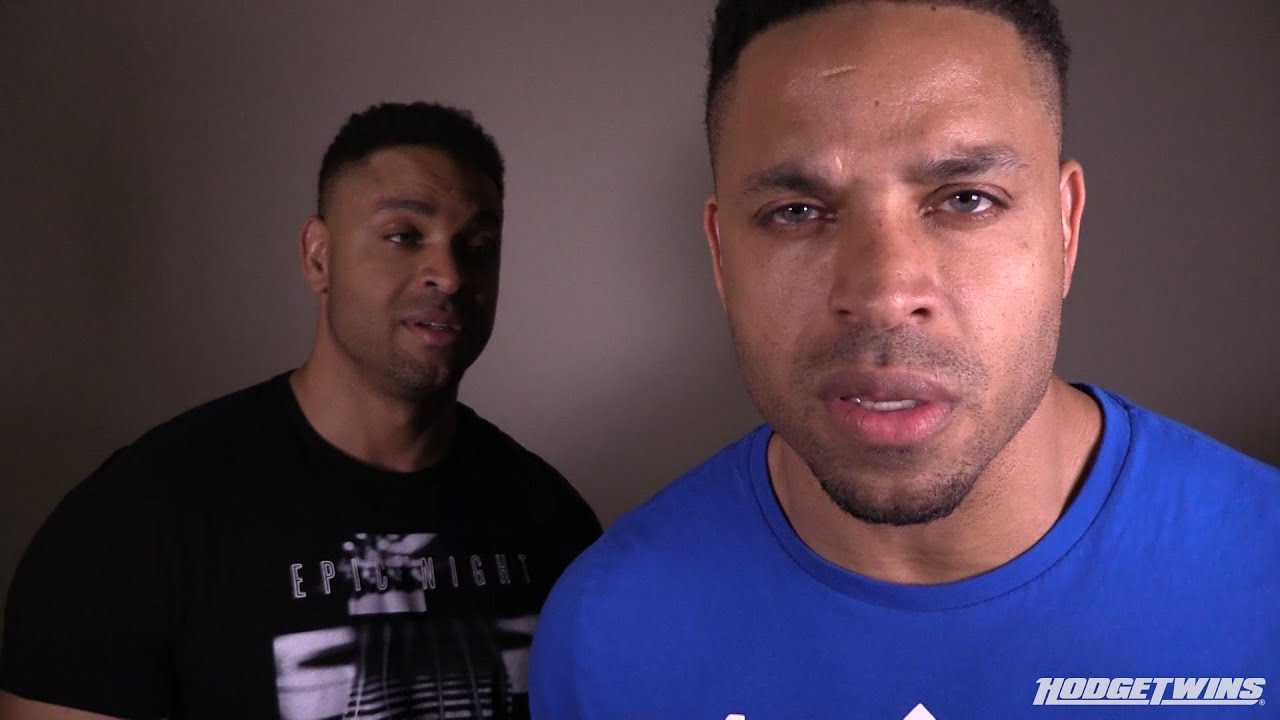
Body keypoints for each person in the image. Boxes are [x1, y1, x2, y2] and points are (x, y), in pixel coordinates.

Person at [528, 2, 1280, 718]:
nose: (884, 295)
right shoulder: (608, 632)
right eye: (796, 212)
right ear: (722, 256)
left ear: (1065, 227)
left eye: (966, 199)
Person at [1, 101, 601, 720]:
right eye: (403, 236)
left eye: (478, 246)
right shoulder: (135, 523)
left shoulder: (553, 522)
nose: (448, 274)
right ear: (318, 257)